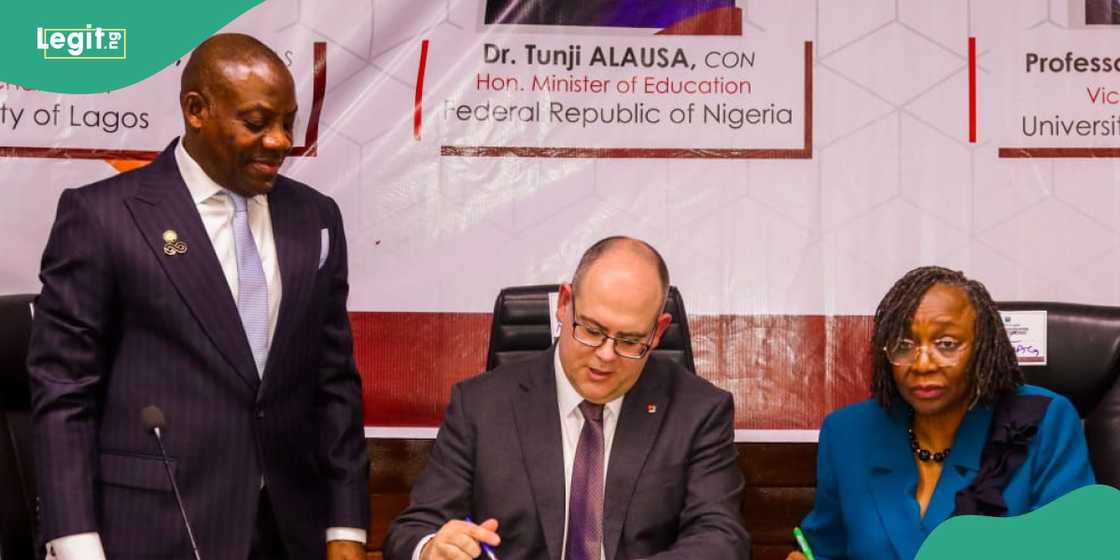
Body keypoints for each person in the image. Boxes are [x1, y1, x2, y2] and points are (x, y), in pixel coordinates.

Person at [28, 33, 369, 560]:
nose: (280, 140)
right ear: (196, 110)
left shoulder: (315, 217)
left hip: (290, 531)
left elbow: (334, 382)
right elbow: (64, 391)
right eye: (257, 122)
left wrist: (345, 527)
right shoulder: (103, 217)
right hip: (150, 531)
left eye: (288, 122)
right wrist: (75, 543)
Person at [383, 236, 749, 560]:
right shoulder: (481, 406)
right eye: (592, 329)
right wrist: (431, 549)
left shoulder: (698, 411)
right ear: (564, 303)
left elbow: (721, 540)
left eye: (629, 340)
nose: (606, 355)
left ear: (657, 332)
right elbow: (411, 531)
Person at [787, 266, 1096, 560]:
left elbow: (1075, 549)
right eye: (903, 345)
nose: (922, 364)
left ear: (983, 348)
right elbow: (825, 549)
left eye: (946, 344)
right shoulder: (848, 433)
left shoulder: (1042, 422)